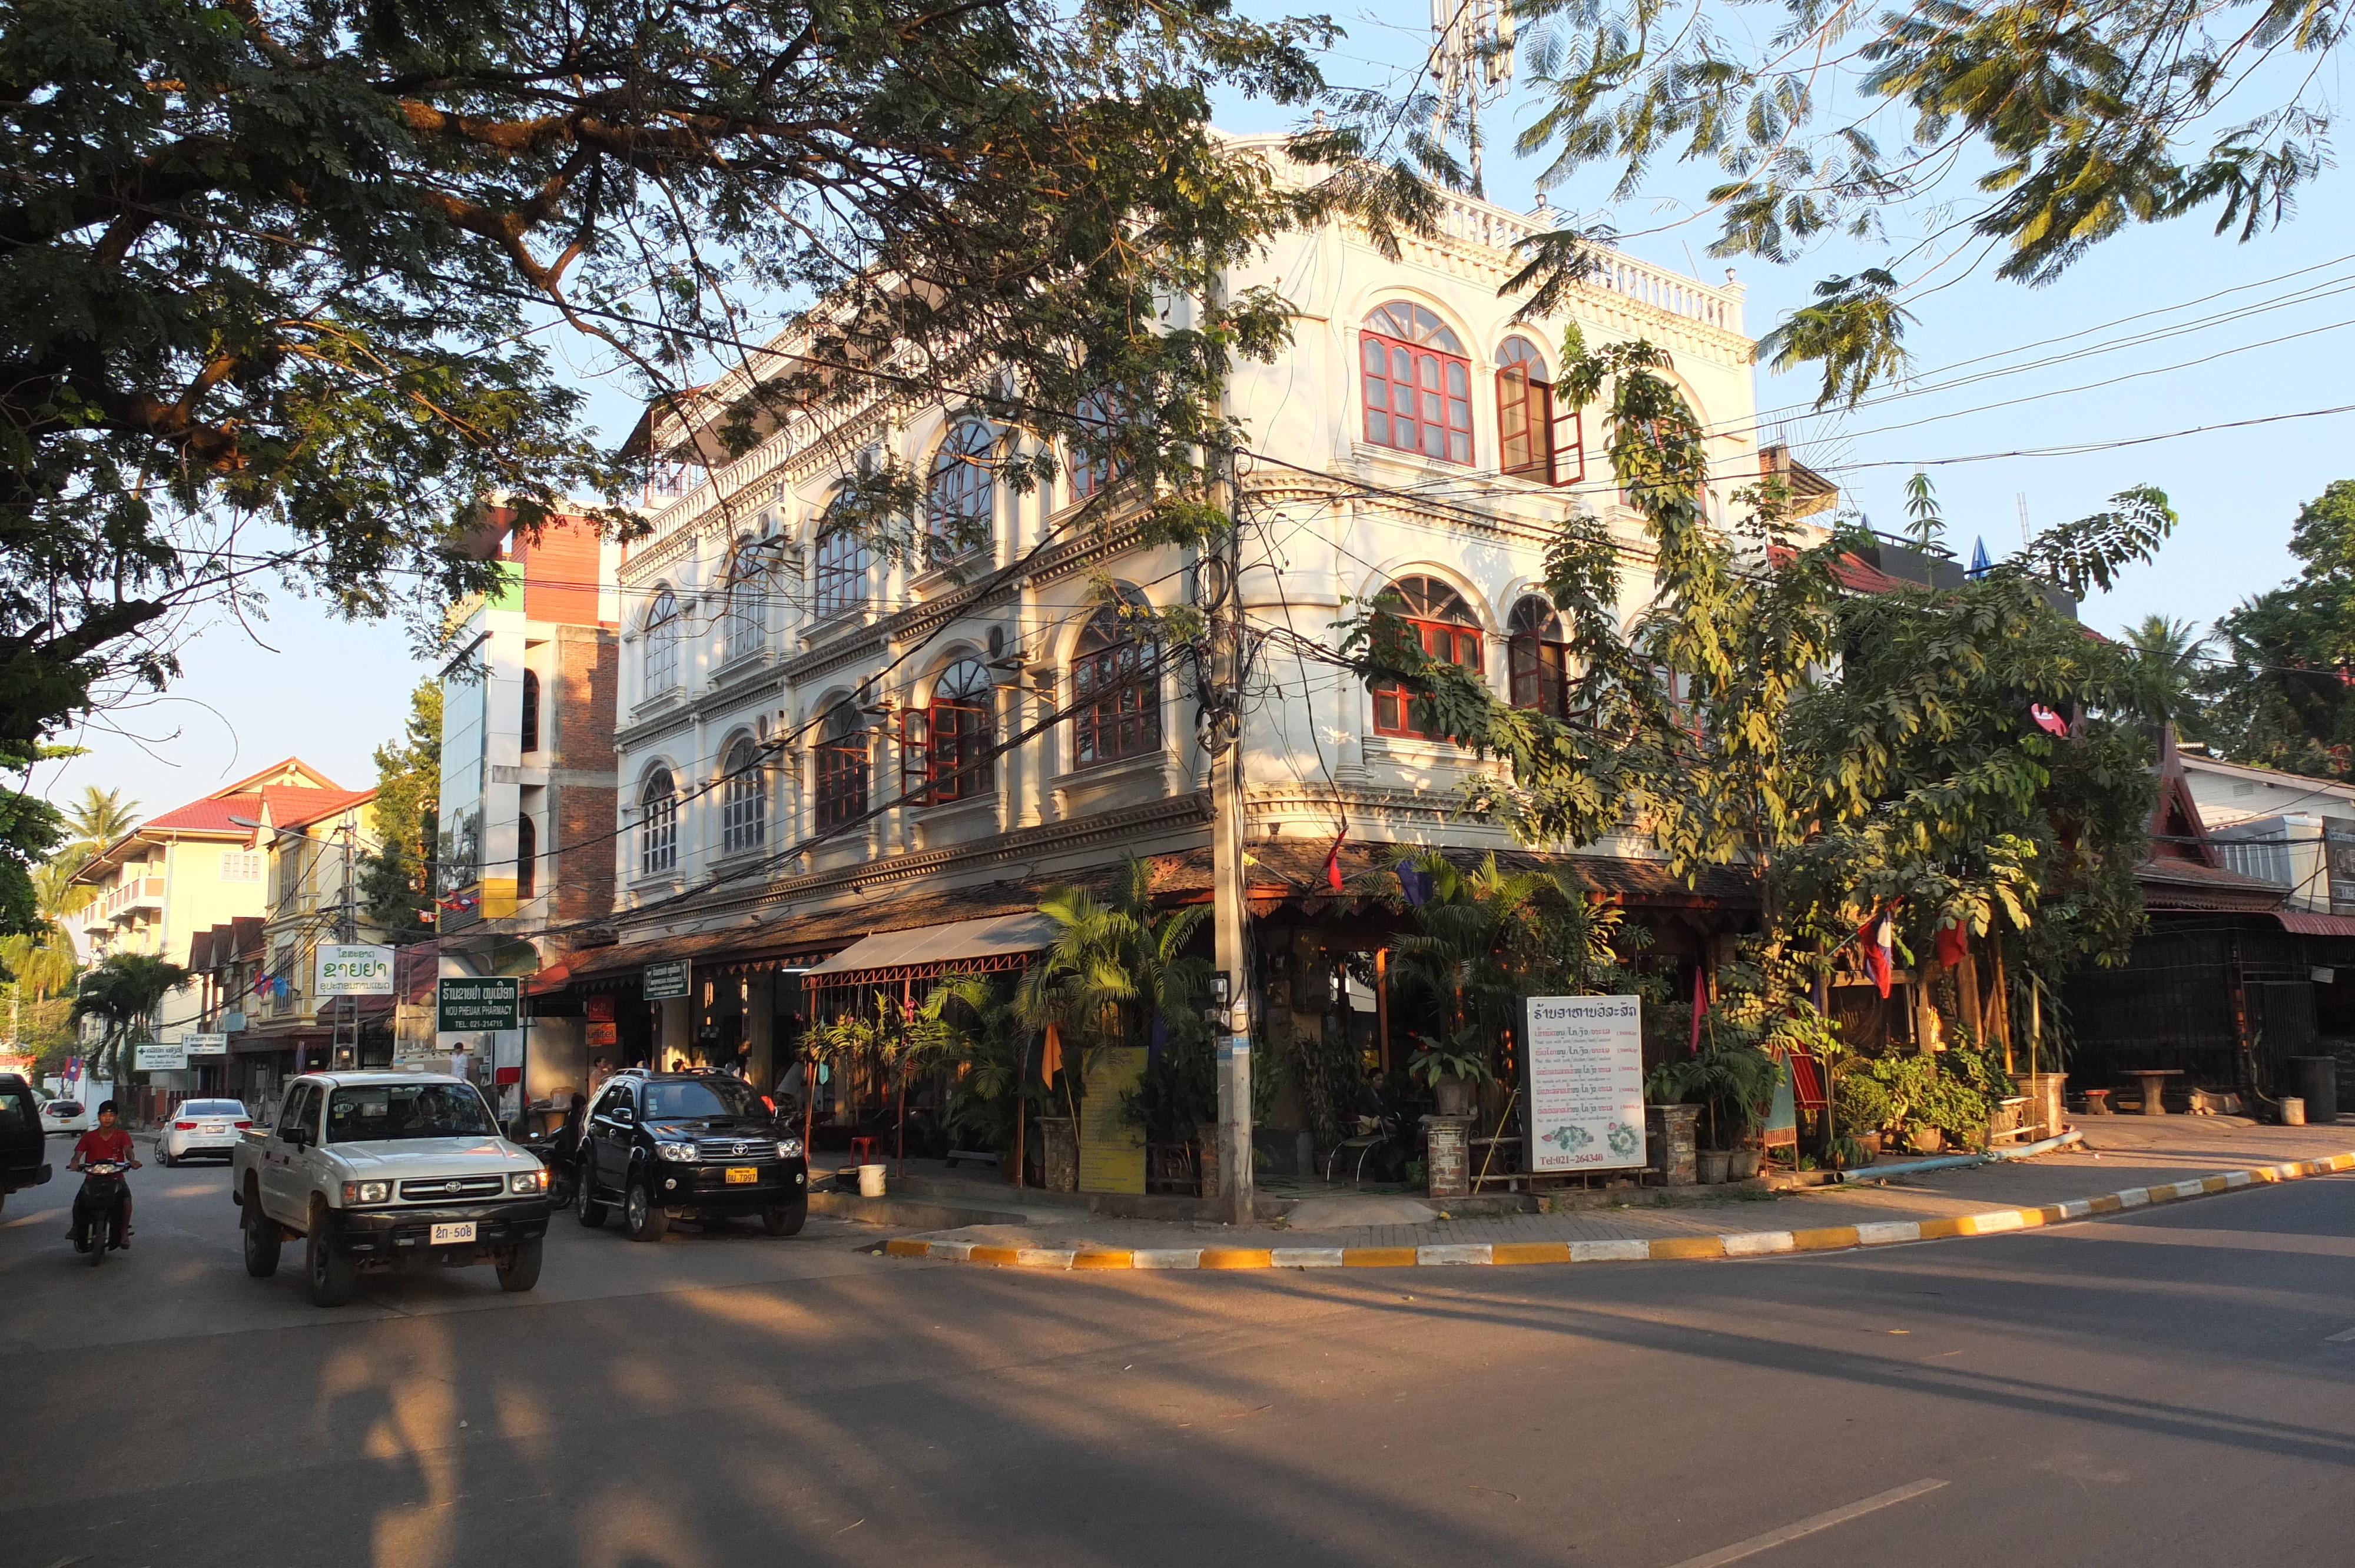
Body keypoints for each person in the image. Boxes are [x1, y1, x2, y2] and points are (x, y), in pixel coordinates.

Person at [68, 1099, 141, 1241]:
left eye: (111, 1115)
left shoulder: (122, 1135)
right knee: (79, 1201)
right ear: (99, 1117)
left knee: (126, 1200)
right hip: (92, 1177)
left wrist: (132, 1161)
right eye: (104, 1115)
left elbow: (128, 1150)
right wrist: (75, 1162)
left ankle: (124, 1233)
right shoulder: (89, 1136)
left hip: (116, 1176)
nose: (107, 1118)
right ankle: (76, 1228)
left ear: (116, 1117)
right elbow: (78, 1154)